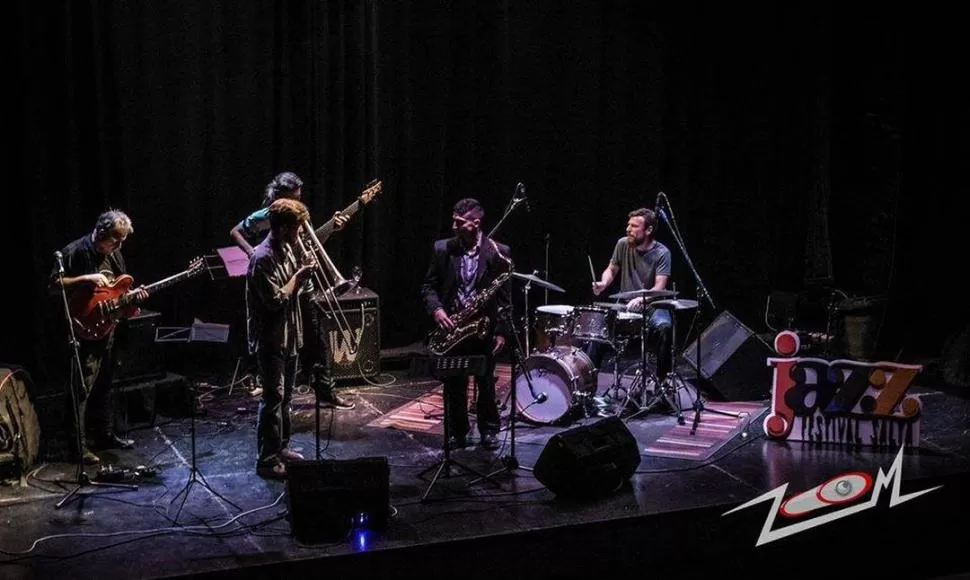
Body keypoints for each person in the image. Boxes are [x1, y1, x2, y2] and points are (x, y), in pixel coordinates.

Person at [230, 171, 353, 410]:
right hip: (282, 283)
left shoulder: (297, 216)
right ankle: (277, 395)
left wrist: (331, 230)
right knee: (280, 346)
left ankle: (324, 391)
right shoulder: (270, 216)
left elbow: (305, 247)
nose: (299, 201)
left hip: (301, 286)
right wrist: (251, 253)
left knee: (317, 341)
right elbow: (235, 231)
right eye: (294, 197)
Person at [50, 209, 150, 465]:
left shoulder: (114, 255)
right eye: (114, 240)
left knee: (105, 385)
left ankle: (104, 434)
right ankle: (77, 446)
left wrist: (132, 301)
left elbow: (119, 293)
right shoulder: (74, 251)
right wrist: (85, 278)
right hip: (82, 331)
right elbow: (53, 286)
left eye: (121, 242)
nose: (117, 246)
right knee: (80, 389)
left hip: (107, 329)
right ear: (101, 232)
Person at [420, 198, 512, 450]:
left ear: (475, 223)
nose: (454, 225)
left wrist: (501, 332)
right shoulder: (443, 249)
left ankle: (489, 430)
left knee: (485, 381)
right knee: (454, 382)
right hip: (453, 325)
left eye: (459, 222)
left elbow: (505, 298)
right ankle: (457, 431)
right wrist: (437, 310)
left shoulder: (498, 251)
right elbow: (428, 286)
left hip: (484, 327)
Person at [247, 197, 326, 479]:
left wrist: (305, 270)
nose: (300, 234)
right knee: (272, 398)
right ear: (282, 228)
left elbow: (297, 289)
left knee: (287, 396)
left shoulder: (288, 248)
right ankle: (266, 460)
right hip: (271, 339)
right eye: (296, 229)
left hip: (291, 333)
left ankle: (281, 447)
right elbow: (276, 299)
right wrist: (300, 275)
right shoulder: (262, 258)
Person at [591, 207, 673, 381]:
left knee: (665, 327)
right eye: (628, 225)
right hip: (625, 303)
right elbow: (611, 269)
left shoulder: (662, 253)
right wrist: (603, 283)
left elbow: (660, 287)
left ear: (648, 230)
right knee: (595, 331)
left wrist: (642, 299)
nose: (628, 229)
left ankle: (662, 385)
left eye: (634, 226)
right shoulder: (622, 244)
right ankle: (587, 388)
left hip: (653, 305)